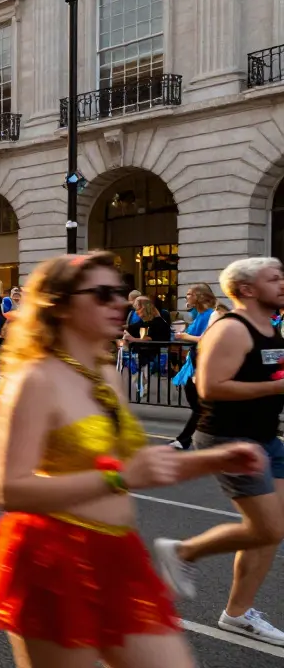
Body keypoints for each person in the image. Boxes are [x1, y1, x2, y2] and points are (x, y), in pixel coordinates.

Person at [0, 251, 265, 668]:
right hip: (52, 558)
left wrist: (214, 460)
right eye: (103, 294)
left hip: (118, 552)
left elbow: (134, 465)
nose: (121, 302)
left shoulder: (106, 370)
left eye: (120, 291)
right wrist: (119, 478)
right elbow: (8, 490)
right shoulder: (35, 379)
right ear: (61, 304)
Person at [151, 258, 284, 646]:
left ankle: (238, 614)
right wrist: (277, 388)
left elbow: (267, 372)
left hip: (265, 437)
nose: (282, 284)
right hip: (228, 437)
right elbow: (211, 387)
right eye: (273, 279)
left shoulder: (269, 328)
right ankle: (183, 551)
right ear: (246, 289)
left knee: (271, 532)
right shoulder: (231, 329)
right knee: (267, 527)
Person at [171, 283, 217, 450]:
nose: (187, 297)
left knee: (199, 406)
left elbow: (206, 339)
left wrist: (185, 335)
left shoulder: (211, 315)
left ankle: (184, 440)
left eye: (190, 294)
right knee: (199, 405)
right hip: (194, 363)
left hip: (204, 365)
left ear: (199, 296)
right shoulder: (200, 314)